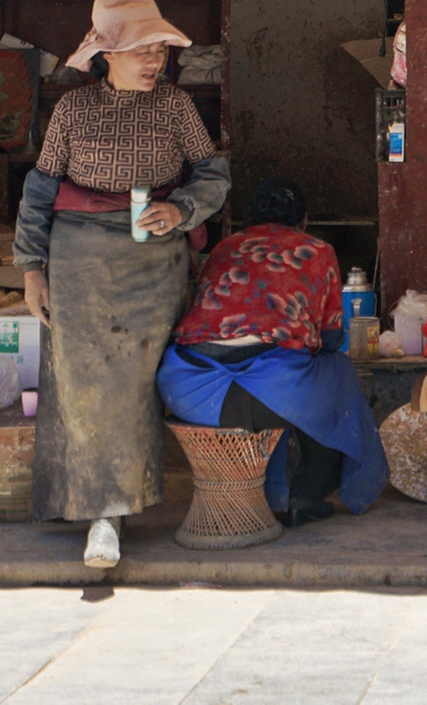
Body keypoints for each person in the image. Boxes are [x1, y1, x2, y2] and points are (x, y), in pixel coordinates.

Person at [13, 0, 231, 569]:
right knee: (85, 389)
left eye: (159, 48)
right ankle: (101, 515)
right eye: (140, 49)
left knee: (135, 386)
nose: (154, 60)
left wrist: (182, 209)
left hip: (154, 264)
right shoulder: (73, 111)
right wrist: (31, 270)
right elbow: (39, 192)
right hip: (78, 264)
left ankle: (133, 503)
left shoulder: (177, 107)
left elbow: (214, 175)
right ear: (107, 53)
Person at [157, 178, 389, 527]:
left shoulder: (224, 248)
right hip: (268, 395)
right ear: (304, 221)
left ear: (249, 220)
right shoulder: (317, 250)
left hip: (187, 390)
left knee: (291, 371)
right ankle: (306, 495)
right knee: (337, 371)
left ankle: (277, 491)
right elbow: (328, 339)